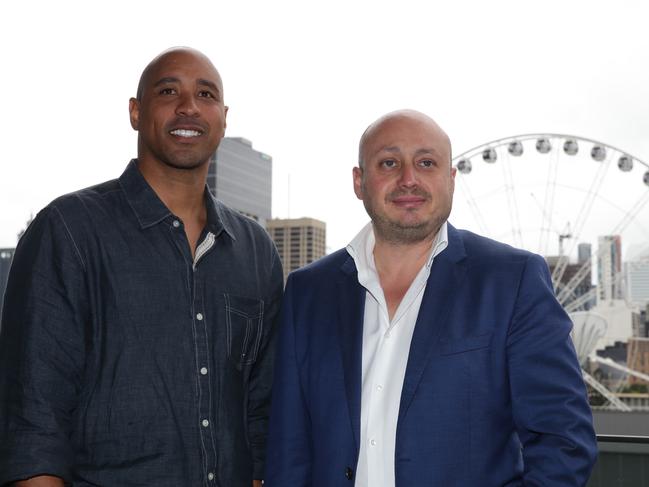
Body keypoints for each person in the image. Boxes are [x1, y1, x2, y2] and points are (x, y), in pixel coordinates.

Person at [264, 109, 597, 486]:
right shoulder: (308, 292)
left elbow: (563, 440)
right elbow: (288, 449)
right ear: (359, 182)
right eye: (389, 163)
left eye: (426, 163)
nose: (409, 179)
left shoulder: (511, 281)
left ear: (451, 180)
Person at [0, 47, 283, 487]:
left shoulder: (256, 250)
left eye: (205, 94)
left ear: (224, 118)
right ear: (136, 112)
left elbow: (262, 413)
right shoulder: (70, 230)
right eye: (169, 90)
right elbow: (34, 419)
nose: (188, 105)